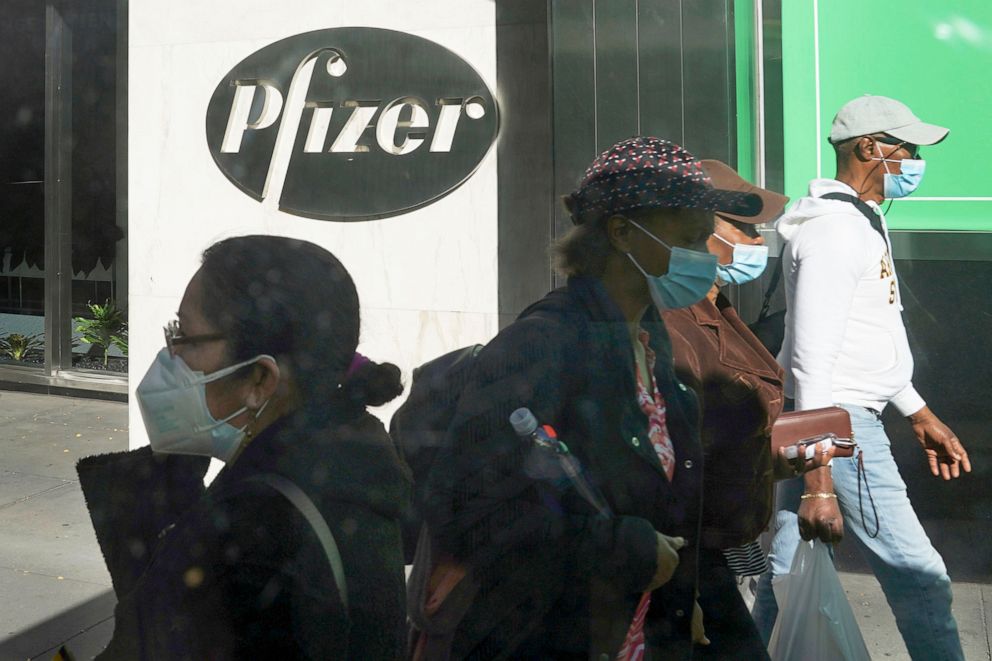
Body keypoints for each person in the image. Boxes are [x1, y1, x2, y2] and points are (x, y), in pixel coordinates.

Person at [424, 137, 764, 659]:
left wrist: (679, 597)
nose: (703, 259)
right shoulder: (543, 345)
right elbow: (471, 510)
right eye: (690, 240)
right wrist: (617, 546)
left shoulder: (651, 344)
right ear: (623, 232)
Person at [76, 235, 412, 659]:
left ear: (260, 380)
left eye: (186, 337)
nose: (171, 355)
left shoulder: (256, 532)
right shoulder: (351, 467)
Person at [752, 95, 971, 660]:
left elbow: (865, 339)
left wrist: (917, 411)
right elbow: (812, 360)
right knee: (920, 576)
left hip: (825, 417)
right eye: (910, 148)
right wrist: (819, 482)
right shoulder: (836, 234)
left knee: (785, 573)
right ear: (870, 148)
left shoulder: (857, 223)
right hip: (840, 426)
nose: (918, 160)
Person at [662, 161, 837, 659]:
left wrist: (778, 459)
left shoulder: (714, 305)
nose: (758, 243)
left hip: (718, 550)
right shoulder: (672, 321)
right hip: (689, 560)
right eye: (743, 228)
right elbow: (676, 456)